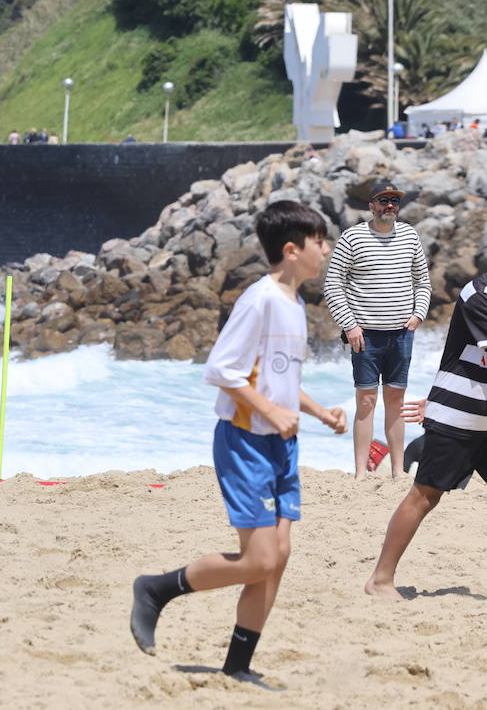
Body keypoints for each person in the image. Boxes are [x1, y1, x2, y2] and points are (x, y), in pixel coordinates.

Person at [129, 200, 347, 679]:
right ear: (292, 250)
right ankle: (157, 588)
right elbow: (222, 370)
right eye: (319, 242)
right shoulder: (261, 299)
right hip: (246, 441)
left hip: (281, 445)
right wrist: (271, 410)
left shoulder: (295, 304)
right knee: (259, 559)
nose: (326, 249)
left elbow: (279, 380)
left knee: (278, 558)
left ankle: (237, 667)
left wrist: (319, 412)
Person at [364, 219, 487, 599]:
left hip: (482, 416)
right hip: (455, 418)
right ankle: (380, 580)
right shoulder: (478, 295)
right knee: (424, 496)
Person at [322, 181, 430, 479]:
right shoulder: (352, 238)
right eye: (383, 201)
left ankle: (397, 471)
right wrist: (350, 325)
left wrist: (418, 315)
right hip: (365, 336)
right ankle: (360, 473)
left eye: (394, 200)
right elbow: (333, 283)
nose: (389, 206)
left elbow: (422, 282)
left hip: (401, 334)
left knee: (395, 400)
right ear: (371, 205)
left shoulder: (409, 236)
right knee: (366, 401)